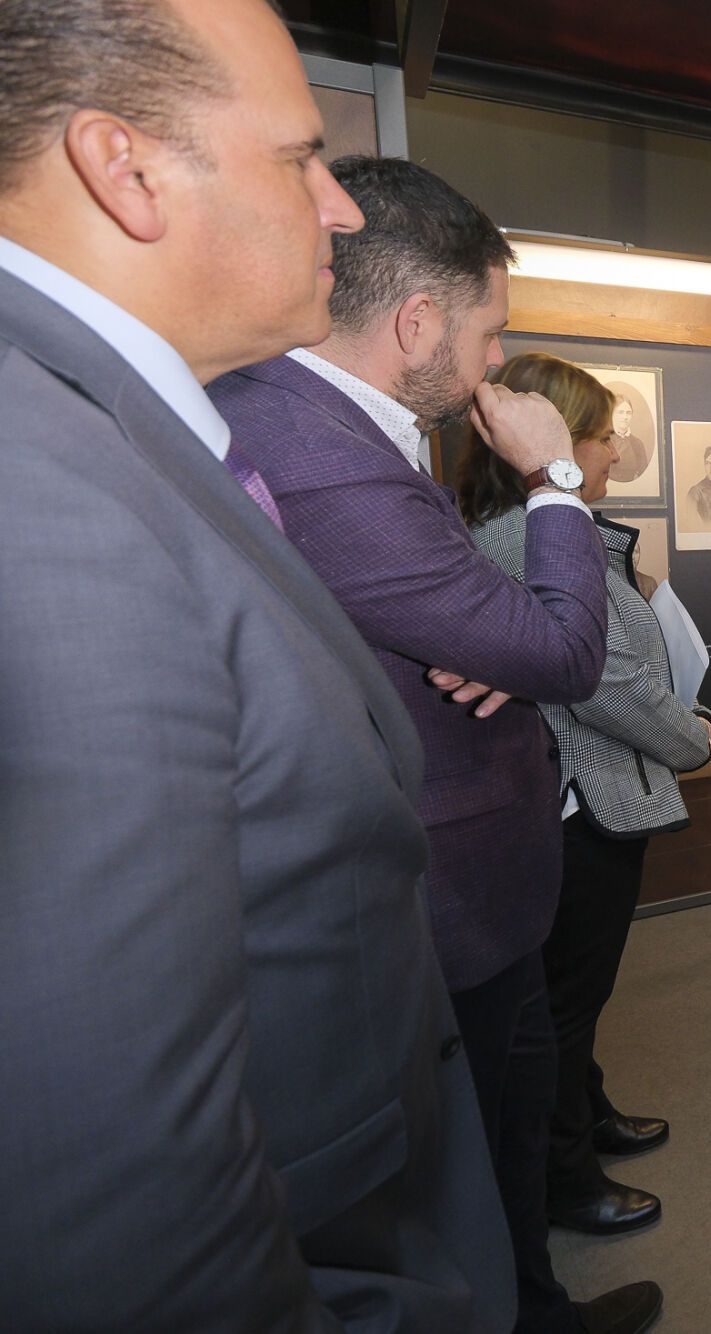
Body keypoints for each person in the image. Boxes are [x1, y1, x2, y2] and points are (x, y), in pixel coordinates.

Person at [0, 1, 511, 1327]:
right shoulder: (40, 493)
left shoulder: (118, 429)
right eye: (300, 159)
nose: (340, 208)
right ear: (125, 170)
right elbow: (119, 1205)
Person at [210, 158, 662, 1334]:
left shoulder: (343, 427)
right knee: (469, 1177)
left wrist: (497, 637)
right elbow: (564, 654)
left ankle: (538, 1306)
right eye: (487, 332)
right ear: (416, 322)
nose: (493, 361)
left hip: (480, 891)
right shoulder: (320, 452)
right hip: (444, 901)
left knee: (503, 1149)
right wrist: (552, 474)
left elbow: (486, 628)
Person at [460, 352, 711, 1236]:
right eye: (605, 437)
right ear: (560, 442)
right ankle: (566, 1180)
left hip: (584, 799)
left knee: (574, 995)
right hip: (580, 809)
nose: (614, 453)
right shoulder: (526, 539)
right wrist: (695, 740)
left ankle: (588, 1116)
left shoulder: (534, 527)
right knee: (565, 1006)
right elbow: (608, 684)